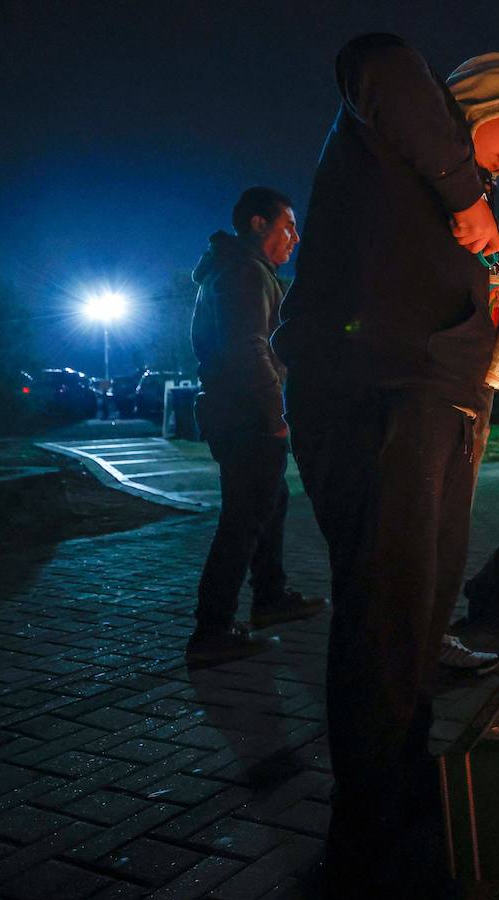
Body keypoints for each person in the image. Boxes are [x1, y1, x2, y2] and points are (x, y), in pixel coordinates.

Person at [269, 34, 499, 900]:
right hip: (373, 395)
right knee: (385, 605)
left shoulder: (458, 221)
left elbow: (447, 309)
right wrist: (468, 192)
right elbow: (374, 54)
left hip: (445, 406)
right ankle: (362, 847)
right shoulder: (389, 137)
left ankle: (404, 792)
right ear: (476, 101)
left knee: (423, 612)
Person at [186, 187, 324, 667]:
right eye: (288, 225)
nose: (296, 237)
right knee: (243, 518)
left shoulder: (238, 269)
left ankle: (270, 596)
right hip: (245, 414)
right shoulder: (243, 272)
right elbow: (248, 348)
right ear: (258, 223)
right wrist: (274, 414)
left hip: (235, 411)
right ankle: (212, 627)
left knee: (270, 502)